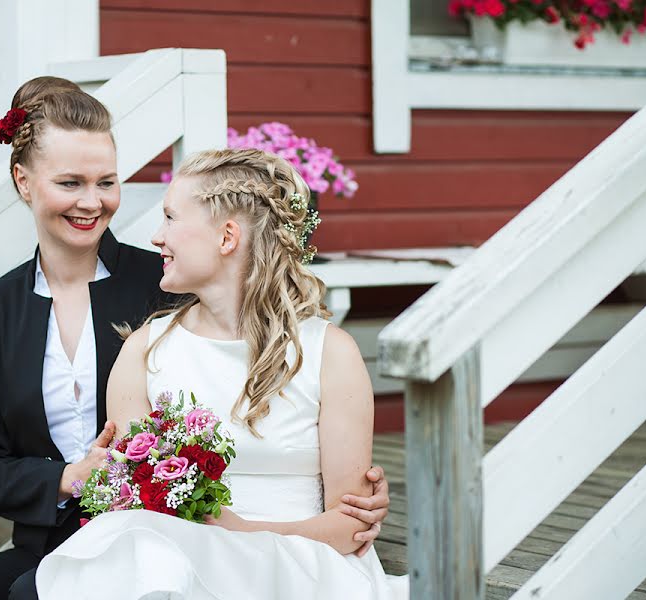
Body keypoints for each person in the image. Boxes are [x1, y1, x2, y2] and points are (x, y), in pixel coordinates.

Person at [0, 78, 391, 600]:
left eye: (106, 182)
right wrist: (70, 478)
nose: (93, 201)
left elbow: (254, 330)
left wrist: (345, 501)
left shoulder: (172, 284)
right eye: (70, 183)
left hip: (173, 543)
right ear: (23, 182)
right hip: (83, 537)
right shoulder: (1, 308)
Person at [33, 148, 408, 599]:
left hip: (304, 566)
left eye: (171, 217)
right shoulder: (144, 353)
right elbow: (138, 504)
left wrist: (241, 535)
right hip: (173, 565)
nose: (157, 237)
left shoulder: (330, 354)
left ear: (227, 237)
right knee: (144, 559)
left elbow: (352, 526)